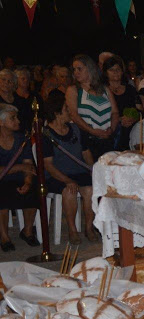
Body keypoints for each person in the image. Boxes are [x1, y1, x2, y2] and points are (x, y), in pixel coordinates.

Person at [41, 91, 96, 244]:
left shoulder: (76, 130)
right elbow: (48, 166)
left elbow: (86, 153)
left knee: (90, 189)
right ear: (57, 113)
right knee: (70, 190)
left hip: (79, 171)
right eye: (66, 109)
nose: (71, 112)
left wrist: (93, 171)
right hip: (57, 175)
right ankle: (72, 230)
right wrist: (67, 180)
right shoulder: (46, 135)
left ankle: (89, 227)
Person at [66, 55, 119, 161]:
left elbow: (115, 112)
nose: (76, 72)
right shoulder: (73, 90)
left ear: (89, 68)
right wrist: (92, 131)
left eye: (79, 69)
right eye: (74, 69)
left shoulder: (105, 89)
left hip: (107, 139)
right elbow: (74, 115)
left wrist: (111, 129)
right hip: (87, 141)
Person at [0, 104, 38, 251]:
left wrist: (27, 182)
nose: (18, 121)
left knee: (33, 189)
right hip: (2, 181)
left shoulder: (22, 139)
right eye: (13, 118)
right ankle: (4, 237)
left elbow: (28, 164)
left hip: (19, 178)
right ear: (1, 122)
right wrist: (20, 167)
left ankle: (27, 230)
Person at [103, 56, 138, 151]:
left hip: (131, 133)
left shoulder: (130, 90)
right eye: (111, 70)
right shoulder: (102, 92)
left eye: (118, 69)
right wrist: (118, 120)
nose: (115, 72)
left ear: (122, 71)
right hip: (112, 134)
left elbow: (141, 111)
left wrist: (133, 118)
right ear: (106, 72)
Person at [14, 67, 41, 135]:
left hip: (35, 131)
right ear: (16, 80)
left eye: (27, 79)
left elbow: (41, 112)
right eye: (23, 79)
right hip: (18, 131)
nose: (26, 81)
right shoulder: (12, 97)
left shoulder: (35, 96)